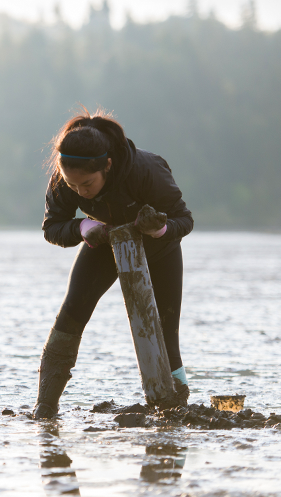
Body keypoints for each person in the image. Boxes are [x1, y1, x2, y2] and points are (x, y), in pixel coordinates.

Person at [33, 107, 194, 419]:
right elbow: (52, 228)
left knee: (164, 331)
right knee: (71, 314)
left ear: (107, 165)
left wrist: (159, 229)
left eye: (88, 184)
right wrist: (82, 227)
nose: (80, 191)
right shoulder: (63, 178)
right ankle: (45, 409)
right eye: (73, 184)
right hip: (104, 241)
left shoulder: (147, 170)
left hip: (159, 247)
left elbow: (184, 219)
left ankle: (174, 410)